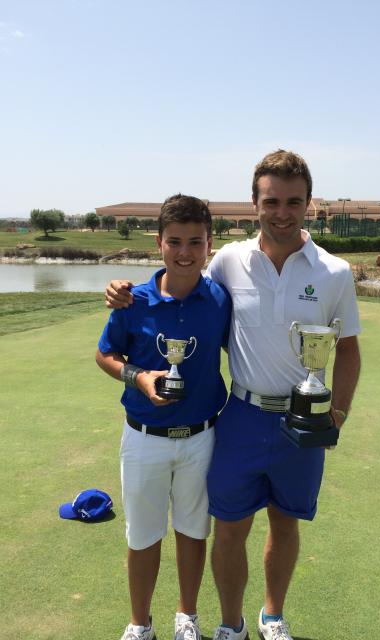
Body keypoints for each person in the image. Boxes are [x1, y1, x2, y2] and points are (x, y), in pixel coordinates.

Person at [105, 150, 361, 640]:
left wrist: (339, 414)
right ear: (254, 204)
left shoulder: (334, 272)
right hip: (240, 414)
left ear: (309, 203)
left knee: (286, 523)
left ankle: (272, 616)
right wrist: (123, 290)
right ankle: (231, 624)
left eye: (294, 201)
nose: (282, 212)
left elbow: (347, 350)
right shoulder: (228, 261)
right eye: (272, 201)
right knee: (229, 527)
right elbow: (178, 283)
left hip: (303, 420)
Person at [97, 194, 231, 640]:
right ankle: (140, 623)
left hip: (201, 437)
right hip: (144, 437)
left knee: (193, 532)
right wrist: (138, 378)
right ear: (159, 243)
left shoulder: (219, 299)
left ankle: (186, 617)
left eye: (196, 242)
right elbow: (105, 354)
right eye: (175, 242)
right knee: (142, 536)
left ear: (210, 244)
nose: (185, 252)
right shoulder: (133, 301)